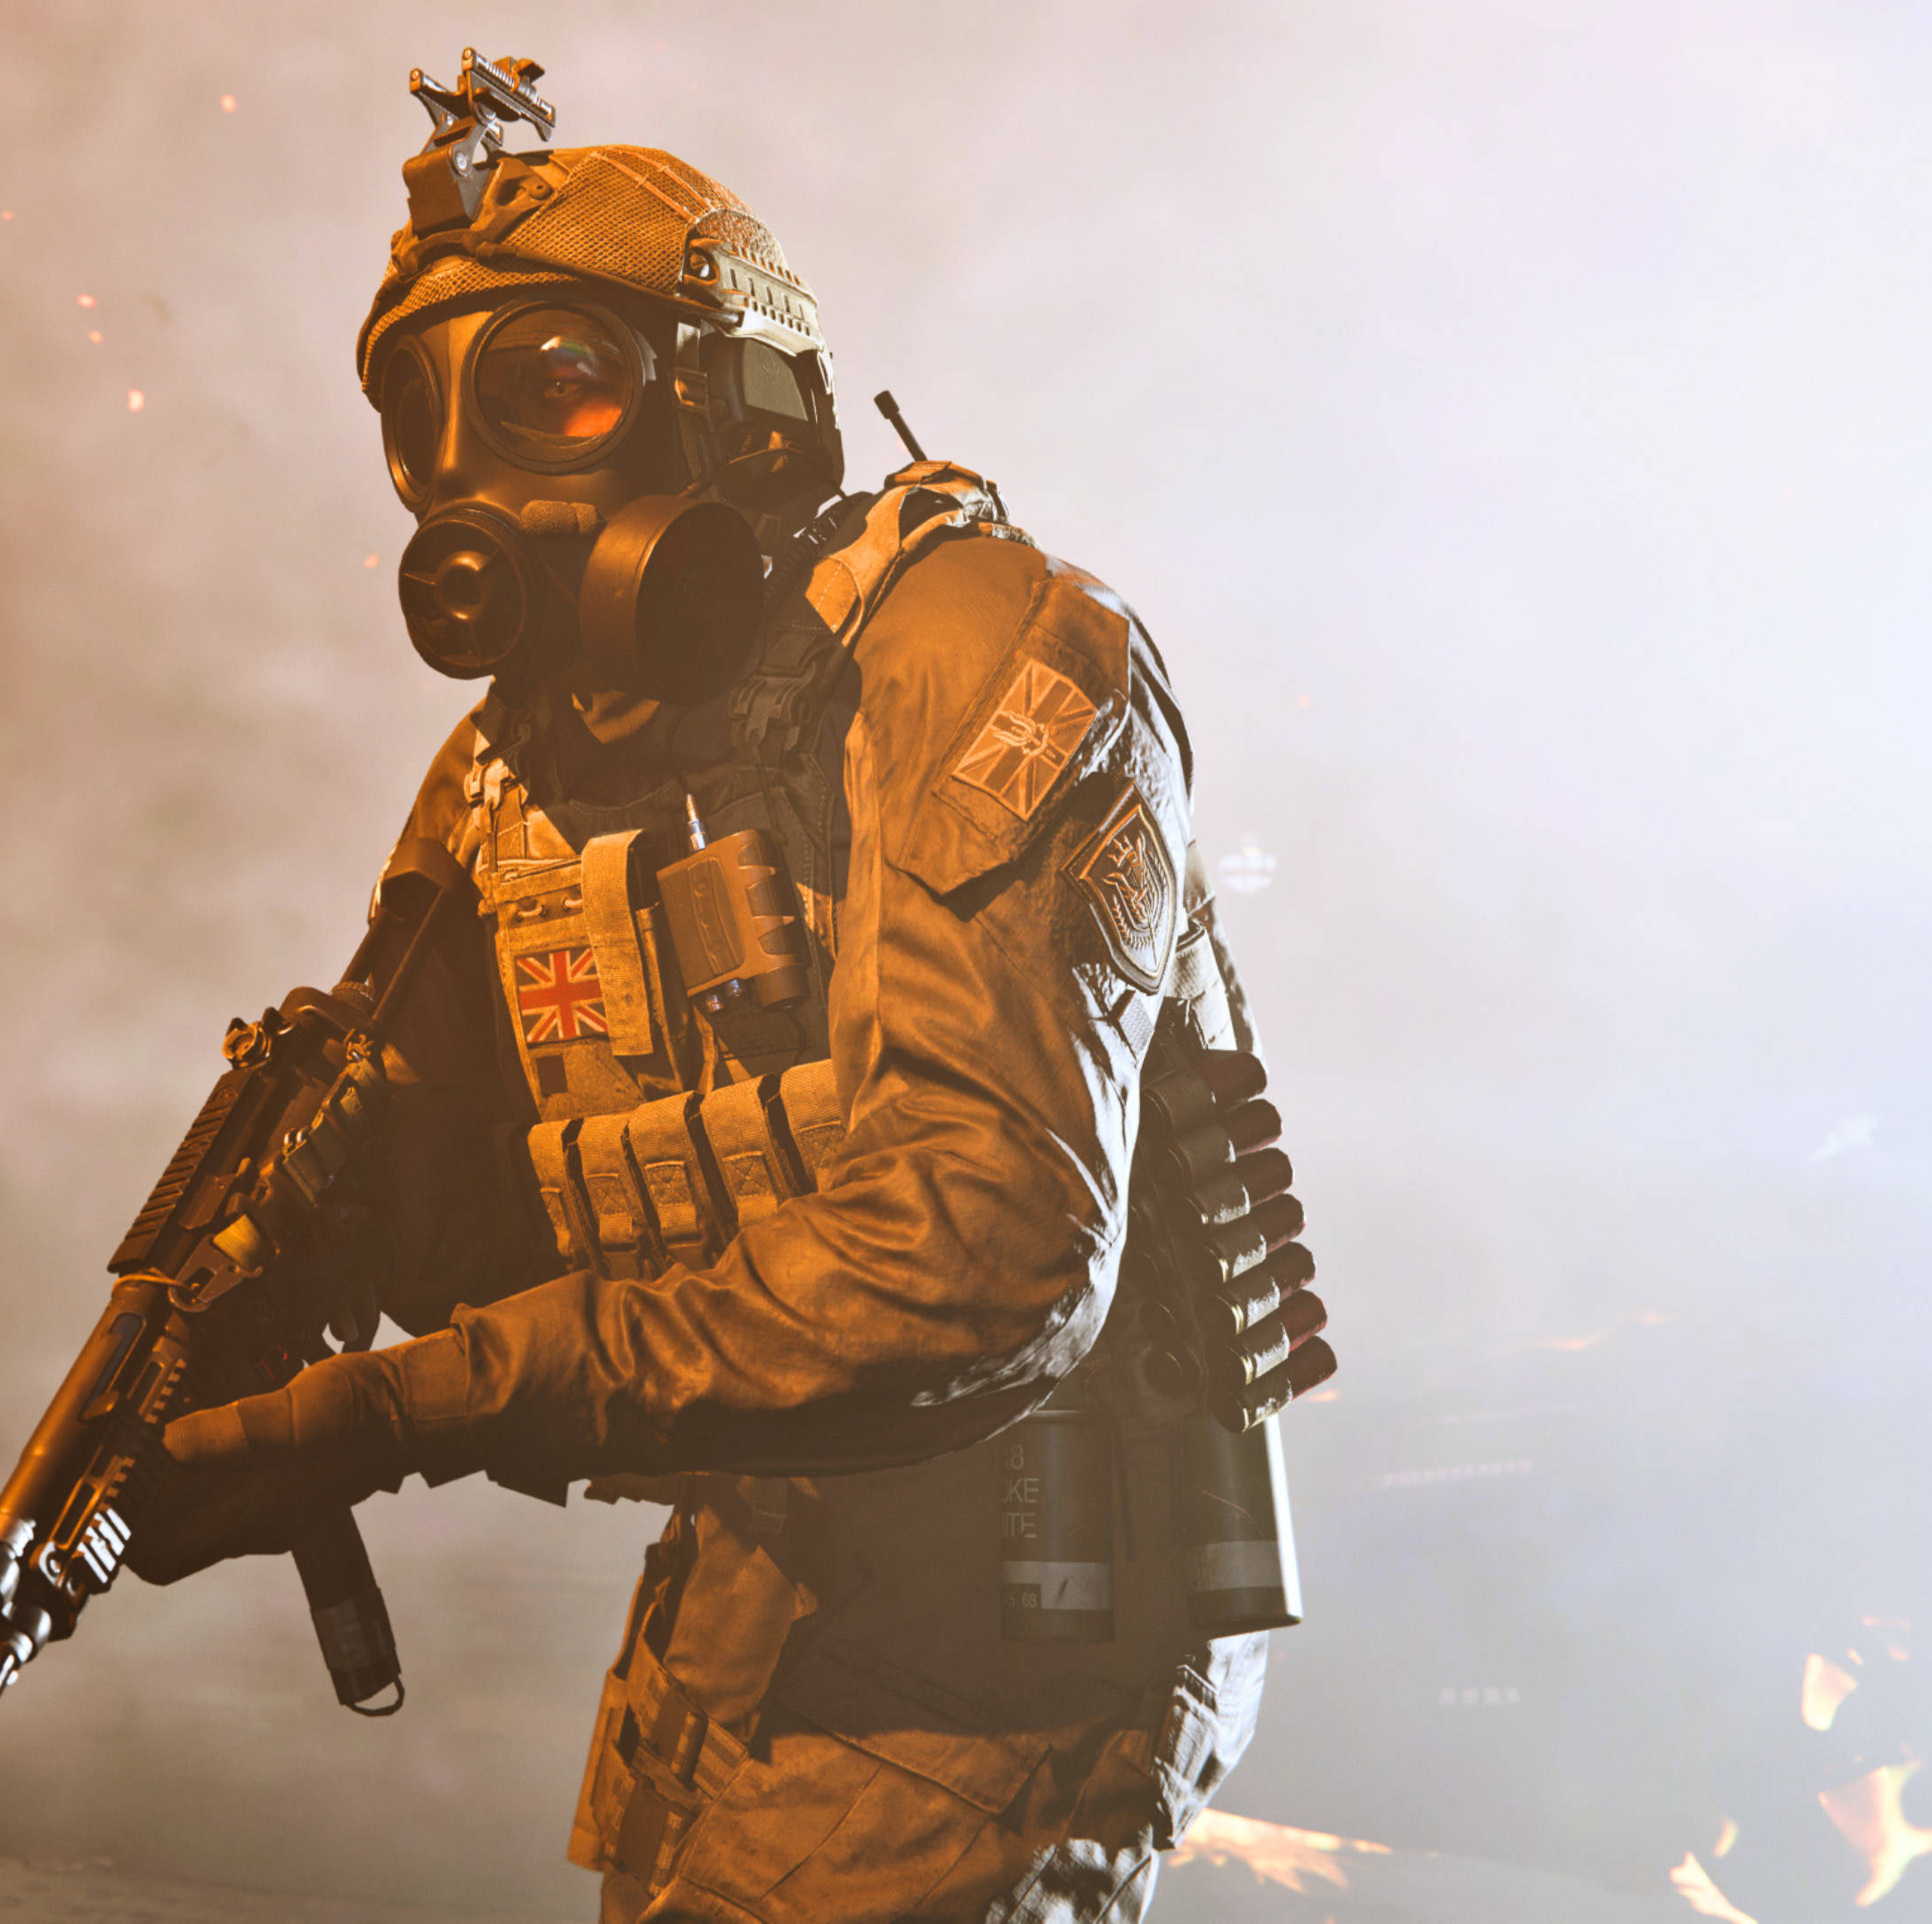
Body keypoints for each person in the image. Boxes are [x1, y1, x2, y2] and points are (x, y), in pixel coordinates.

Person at [130, 54, 1335, 1923]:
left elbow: (986, 1248)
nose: (473, 477)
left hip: (1028, 1606)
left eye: (552, 384)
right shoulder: (524, 762)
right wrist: (242, 1309)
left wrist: (405, 1409)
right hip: (762, 1565)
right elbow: (427, 1169)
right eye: (419, 419)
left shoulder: (983, 649)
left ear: (741, 410)